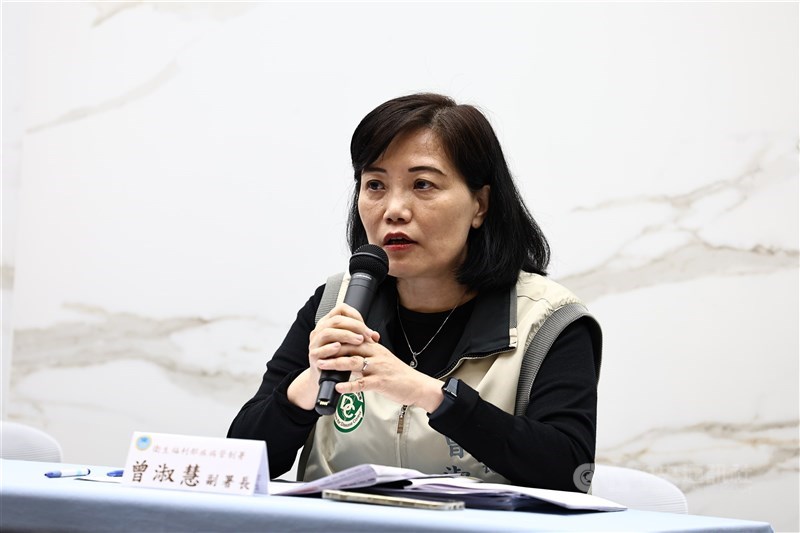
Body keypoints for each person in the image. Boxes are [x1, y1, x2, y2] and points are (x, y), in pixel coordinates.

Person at [228, 93, 602, 492]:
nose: (394, 209)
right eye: (375, 185)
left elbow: (569, 469)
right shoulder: (333, 305)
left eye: (422, 184)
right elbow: (240, 466)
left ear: (480, 204)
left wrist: (428, 394)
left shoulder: (548, 321)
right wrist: (307, 385)